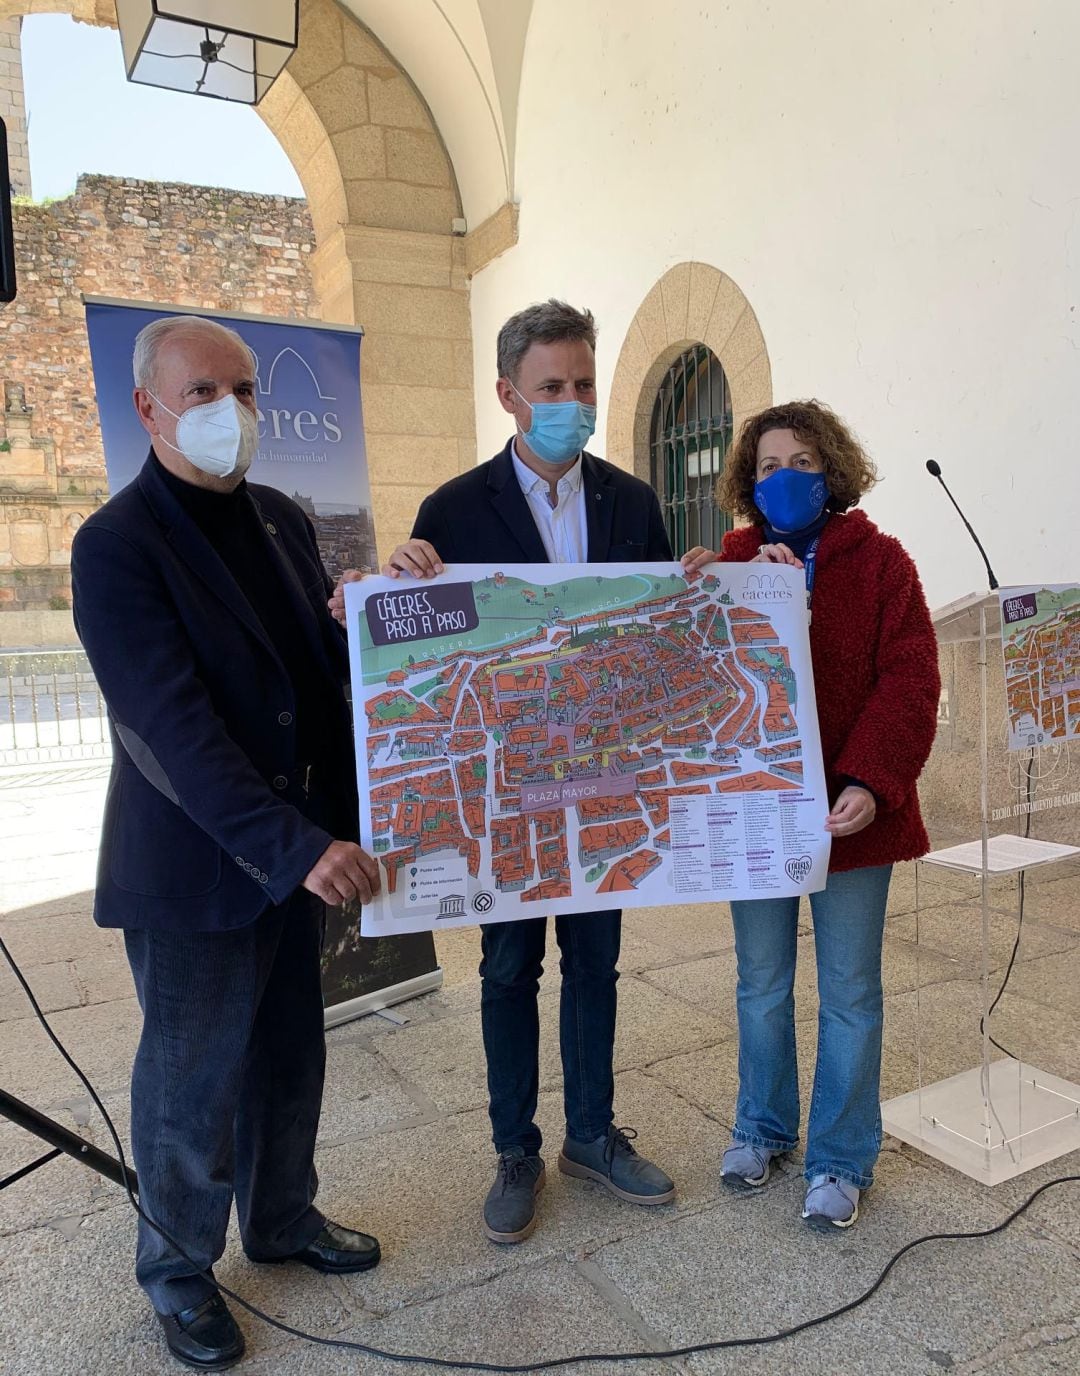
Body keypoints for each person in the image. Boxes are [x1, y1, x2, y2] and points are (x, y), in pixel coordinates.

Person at [331, 300, 686, 1245]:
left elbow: (657, 638)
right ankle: (515, 1150)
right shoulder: (453, 509)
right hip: (507, 793)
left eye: (582, 385)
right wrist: (403, 575)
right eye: (551, 388)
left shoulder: (633, 503)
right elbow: (423, 639)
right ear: (508, 395)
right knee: (507, 968)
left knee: (598, 964)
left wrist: (707, 595)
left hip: (604, 782)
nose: (572, 402)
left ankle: (593, 1136)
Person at [71, 315, 383, 1371]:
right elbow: (170, 727)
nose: (232, 413)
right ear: (149, 409)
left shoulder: (286, 520)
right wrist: (291, 841)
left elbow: (315, 678)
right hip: (202, 863)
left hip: (297, 850)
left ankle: (284, 1216)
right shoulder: (115, 545)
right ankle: (176, 1270)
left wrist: (378, 622)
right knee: (190, 1082)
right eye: (204, 393)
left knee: (292, 1055)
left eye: (244, 391)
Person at [686, 399, 939, 1230]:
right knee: (760, 982)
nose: (783, 477)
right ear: (746, 482)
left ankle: (838, 1157)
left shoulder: (881, 564)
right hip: (756, 816)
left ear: (830, 469)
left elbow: (909, 679)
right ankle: (762, 1128)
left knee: (850, 991)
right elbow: (692, 683)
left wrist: (870, 779)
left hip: (849, 815)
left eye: (800, 461)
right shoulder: (727, 563)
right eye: (765, 466)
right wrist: (695, 599)